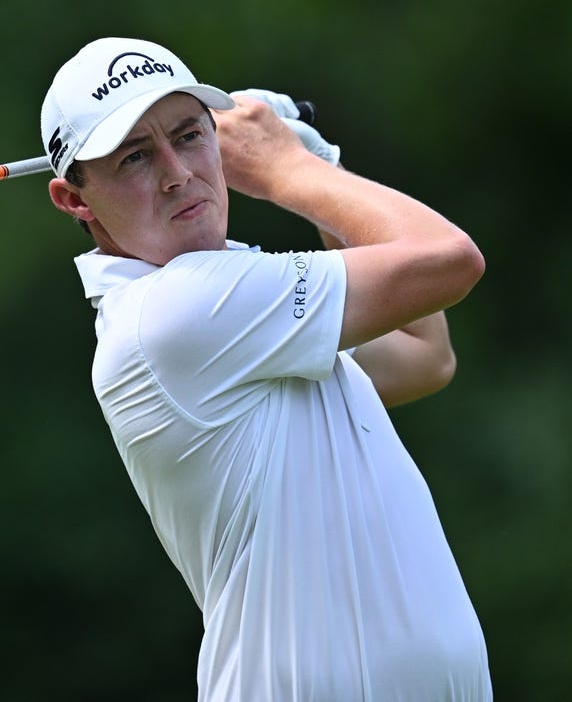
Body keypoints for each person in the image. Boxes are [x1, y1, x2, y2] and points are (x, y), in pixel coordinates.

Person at [41, 37, 491, 701]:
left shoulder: (249, 307)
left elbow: (424, 354)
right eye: (136, 156)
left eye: (190, 134)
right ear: (75, 200)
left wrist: (312, 162)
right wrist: (291, 170)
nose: (178, 173)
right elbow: (450, 259)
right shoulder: (172, 313)